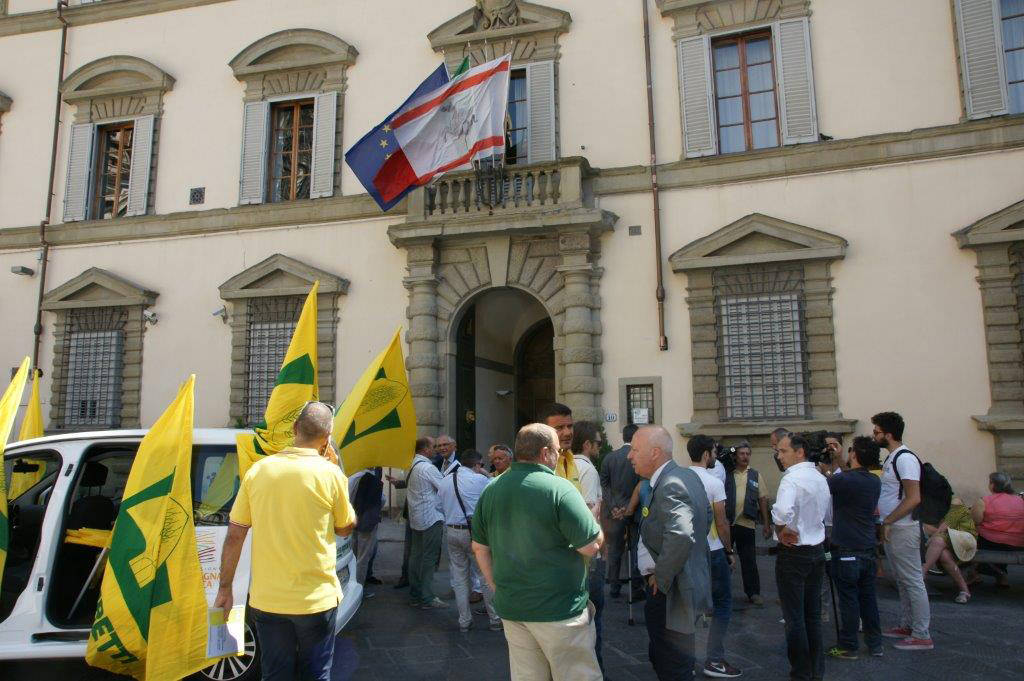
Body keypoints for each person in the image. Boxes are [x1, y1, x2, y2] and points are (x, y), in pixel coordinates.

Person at [216, 402, 355, 681]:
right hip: (316, 600)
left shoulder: (258, 471)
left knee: (275, 674)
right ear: (327, 437)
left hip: (269, 600)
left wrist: (225, 587)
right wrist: (335, 468)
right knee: (316, 674)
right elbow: (345, 528)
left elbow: (235, 535)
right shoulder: (332, 474)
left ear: (294, 429)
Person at [471, 423, 604, 681]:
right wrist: (596, 525)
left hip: (513, 606)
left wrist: (495, 586)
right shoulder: (560, 488)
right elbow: (590, 545)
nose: (559, 455)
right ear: (545, 453)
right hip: (559, 609)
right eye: (557, 450)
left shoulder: (492, 488)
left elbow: (479, 547)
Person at [628, 425, 711, 681]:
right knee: (669, 658)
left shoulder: (671, 483)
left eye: (634, 449)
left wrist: (660, 578)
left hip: (672, 592)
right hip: (682, 585)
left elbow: (682, 534)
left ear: (654, 453)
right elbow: (705, 518)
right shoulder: (686, 476)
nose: (629, 456)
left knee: (672, 664)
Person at [771, 432, 831, 681]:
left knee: (794, 618)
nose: (779, 456)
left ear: (800, 452)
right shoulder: (819, 477)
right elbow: (828, 515)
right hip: (816, 549)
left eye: (783, 451)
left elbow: (782, 512)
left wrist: (780, 527)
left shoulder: (791, 479)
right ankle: (816, 670)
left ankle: (801, 672)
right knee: (812, 615)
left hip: (794, 553)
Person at [872, 411, 933, 651]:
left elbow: (913, 497)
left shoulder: (904, 458)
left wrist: (888, 521)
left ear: (888, 434)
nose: (873, 436)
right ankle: (907, 624)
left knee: (912, 580)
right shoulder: (891, 458)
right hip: (895, 527)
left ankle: (921, 633)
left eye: (876, 432)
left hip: (904, 528)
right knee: (903, 580)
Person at [686, 435, 741, 679]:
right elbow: (722, 522)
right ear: (706, 454)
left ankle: (685, 660)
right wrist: (730, 551)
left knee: (687, 606)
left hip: (686, 550)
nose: (716, 457)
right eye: (713, 453)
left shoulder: (679, 478)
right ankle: (714, 659)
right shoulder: (713, 483)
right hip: (714, 550)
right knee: (722, 604)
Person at [824, 435, 883, 660]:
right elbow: (846, 478)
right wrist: (838, 459)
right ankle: (875, 644)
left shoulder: (844, 481)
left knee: (848, 600)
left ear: (855, 455)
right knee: (868, 599)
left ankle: (849, 645)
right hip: (868, 548)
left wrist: (827, 466)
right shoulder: (874, 481)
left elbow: (829, 484)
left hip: (846, 548)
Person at [436, 448, 501, 632]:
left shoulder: (446, 480)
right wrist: (485, 473)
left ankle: (464, 620)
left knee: (459, 577)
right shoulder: (481, 480)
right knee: (485, 575)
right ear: (476, 464)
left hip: (451, 532)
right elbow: (497, 487)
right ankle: (495, 619)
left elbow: (438, 506)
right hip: (475, 533)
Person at [569, 420, 607, 670]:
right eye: (598, 443)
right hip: (588, 554)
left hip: (568, 553)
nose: (600, 448)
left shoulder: (566, 465)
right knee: (594, 617)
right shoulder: (588, 469)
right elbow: (590, 515)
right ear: (587, 444)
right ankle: (597, 671)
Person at [724, 441, 770, 606]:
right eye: (742, 454)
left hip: (747, 524)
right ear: (736, 456)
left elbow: (762, 499)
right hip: (728, 524)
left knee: (749, 560)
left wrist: (766, 524)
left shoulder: (755, 475)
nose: (745, 457)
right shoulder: (727, 474)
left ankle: (753, 593)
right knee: (725, 559)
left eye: (747, 454)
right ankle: (722, 593)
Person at [406, 435, 447, 610]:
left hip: (416, 516)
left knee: (416, 556)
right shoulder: (427, 468)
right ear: (425, 449)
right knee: (429, 558)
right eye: (433, 446)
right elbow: (445, 488)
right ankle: (427, 597)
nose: (436, 449)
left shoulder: (412, 464)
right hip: (431, 517)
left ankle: (416, 593)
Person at [602, 423, 642, 599]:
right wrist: (627, 508)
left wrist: (613, 507)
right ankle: (636, 587)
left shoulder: (610, 457)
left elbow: (604, 484)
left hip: (615, 511)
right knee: (636, 549)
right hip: (634, 510)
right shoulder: (639, 458)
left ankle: (614, 587)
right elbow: (642, 484)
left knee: (615, 549)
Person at [389, 436, 433, 590]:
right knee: (414, 549)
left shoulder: (436, 462)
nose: (440, 448)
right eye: (436, 445)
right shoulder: (421, 464)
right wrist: (399, 482)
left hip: (428, 513)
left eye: (444, 445)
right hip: (417, 512)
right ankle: (410, 579)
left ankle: (418, 580)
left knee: (421, 550)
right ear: (426, 449)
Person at [970, 471, 1024, 586]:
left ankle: (974, 574)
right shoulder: (1020, 501)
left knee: (973, 534)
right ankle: (1001, 577)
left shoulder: (984, 501)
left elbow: (975, 521)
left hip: (991, 542)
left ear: (992, 485)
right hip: (1017, 544)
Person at [922, 497, 976, 603]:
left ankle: (922, 573)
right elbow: (932, 529)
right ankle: (964, 590)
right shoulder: (933, 504)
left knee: (938, 540)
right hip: (947, 541)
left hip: (965, 541)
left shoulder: (955, 501)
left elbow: (944, 527)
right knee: (943, 554)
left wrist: (930, 540)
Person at [349, 466, 384, 594]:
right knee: (363, 558)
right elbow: (382, 500)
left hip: (352, 520)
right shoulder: (372, 478)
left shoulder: (353, 476)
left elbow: (348, 498)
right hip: (368, 522)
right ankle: (358, 589)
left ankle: (350, 585)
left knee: (353, 555)